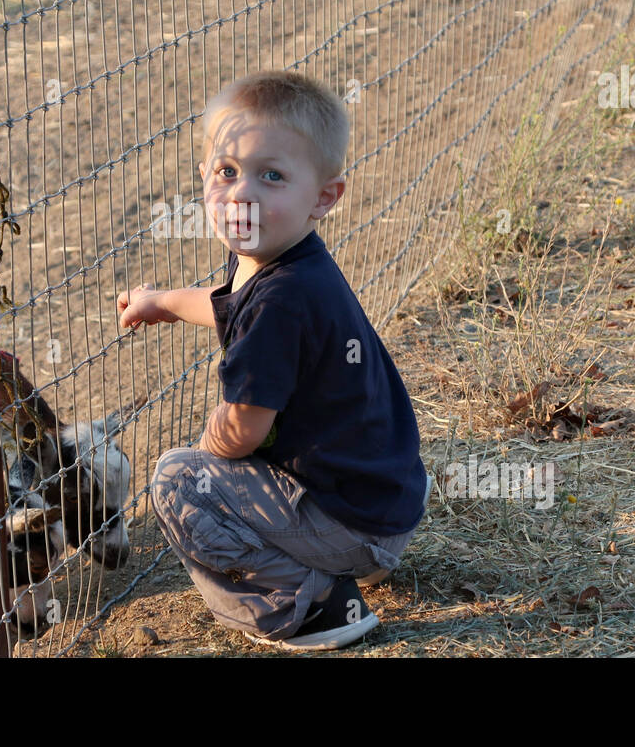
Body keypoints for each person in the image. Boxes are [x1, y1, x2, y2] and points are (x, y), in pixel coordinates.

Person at [118, 70, 429, 651]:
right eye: (226, 172)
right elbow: (227, 307)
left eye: (272, 176)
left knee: (180, 479)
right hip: (381, 499)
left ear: (324, 197)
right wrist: (161, 301)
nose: (241, 194)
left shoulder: (279, 301)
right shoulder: (287, 264)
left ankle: (309, 604)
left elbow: (241, 432)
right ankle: (352, 558)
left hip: (355, 521)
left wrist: (213, 453)